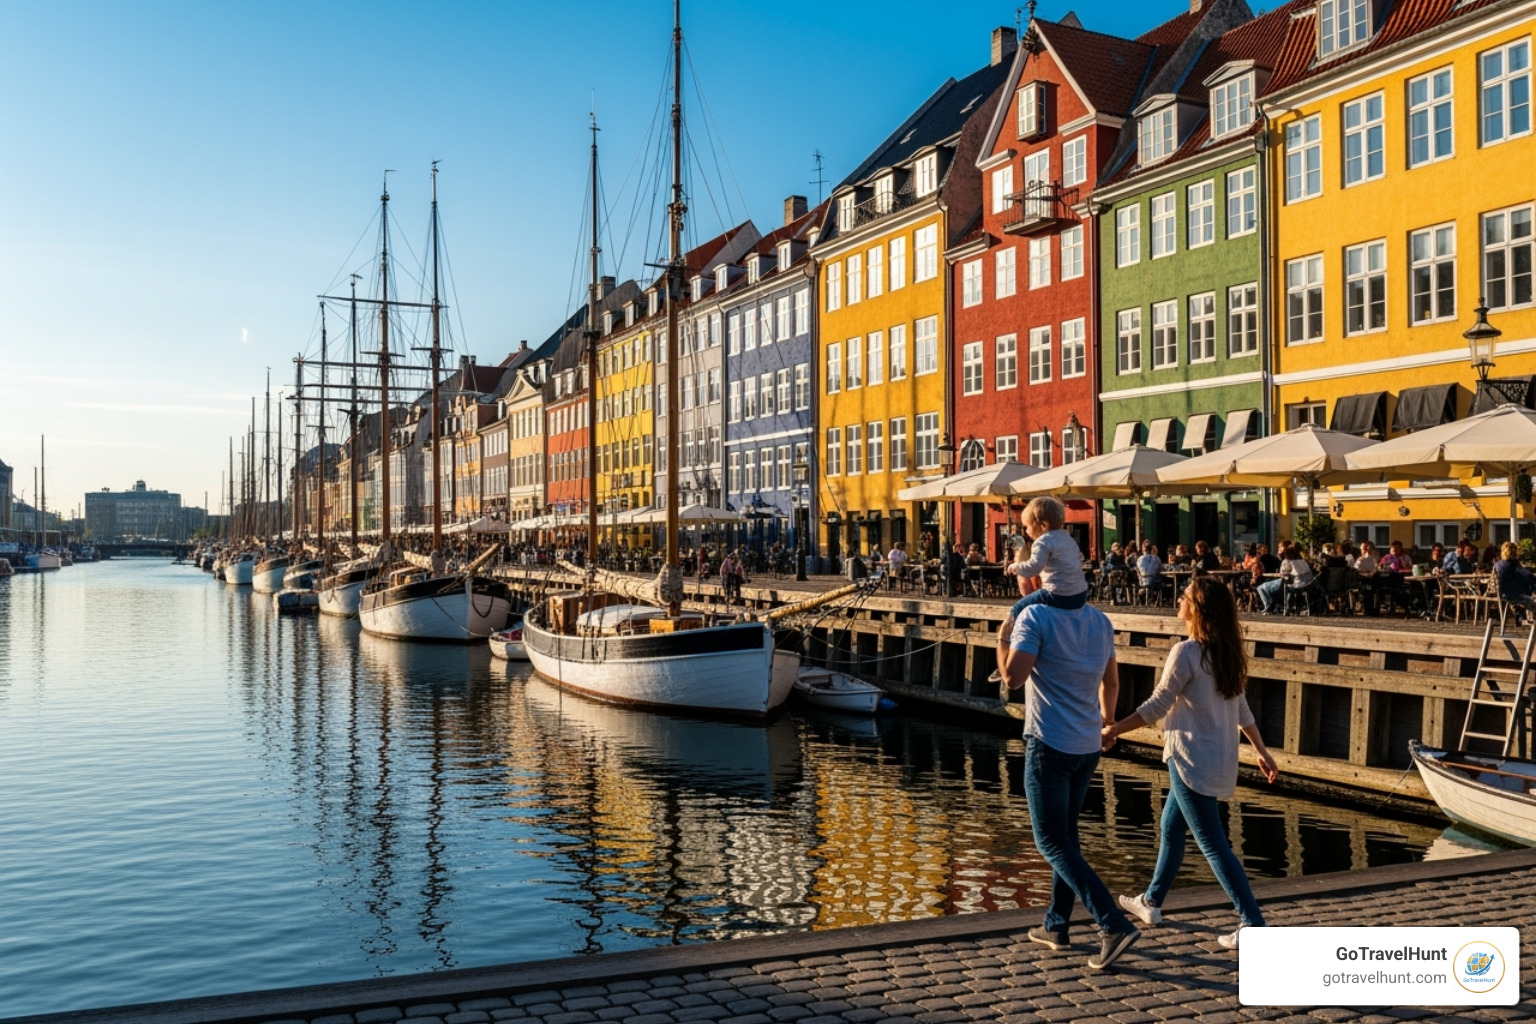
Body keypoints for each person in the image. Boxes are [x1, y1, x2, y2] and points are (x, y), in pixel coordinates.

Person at [1103, 576, 1279, 950]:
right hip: (1218, 757)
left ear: (1197, 609)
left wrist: (1114, 730)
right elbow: (1241, 709)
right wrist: (1262, 751)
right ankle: (1151, 902)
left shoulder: (1186, 652)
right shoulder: (1227, 653)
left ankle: (1253, 923)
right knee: (1171, 827)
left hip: (1189, 759)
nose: (1178, 601)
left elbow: (1157, 706)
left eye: (1183, 597)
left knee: (1213, 844)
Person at [996, 580, 1141, 970]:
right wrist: (1107, 721)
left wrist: (1001, 639)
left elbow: (1012, 678)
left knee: (1050, 842)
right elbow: (1111, 682)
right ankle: (1056, 925)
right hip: (1086, 745)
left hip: (1050, 744)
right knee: (1068, 837)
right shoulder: (1100, 621)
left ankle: (1113, 923)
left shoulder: (1034, 616)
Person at [1001, 497, 1091, 615]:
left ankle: (1005, 633)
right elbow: (1080, 558)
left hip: (1056, 594)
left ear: (1042, 525)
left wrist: (1015, 567)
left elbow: (1033, 568)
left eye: (1027, 527)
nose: (1026, 531)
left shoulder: (1042, 541)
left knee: (1016, 610)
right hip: (1080, 595)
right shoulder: (1068, 539)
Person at [1257, 543, 1314, 613]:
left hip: (1292, 585)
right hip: (1307, 585)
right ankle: (1276, 606)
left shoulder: (1287, 561)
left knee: (1261, 587)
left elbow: (1283, 574)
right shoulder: (1303, 562)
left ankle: (1268, 606)